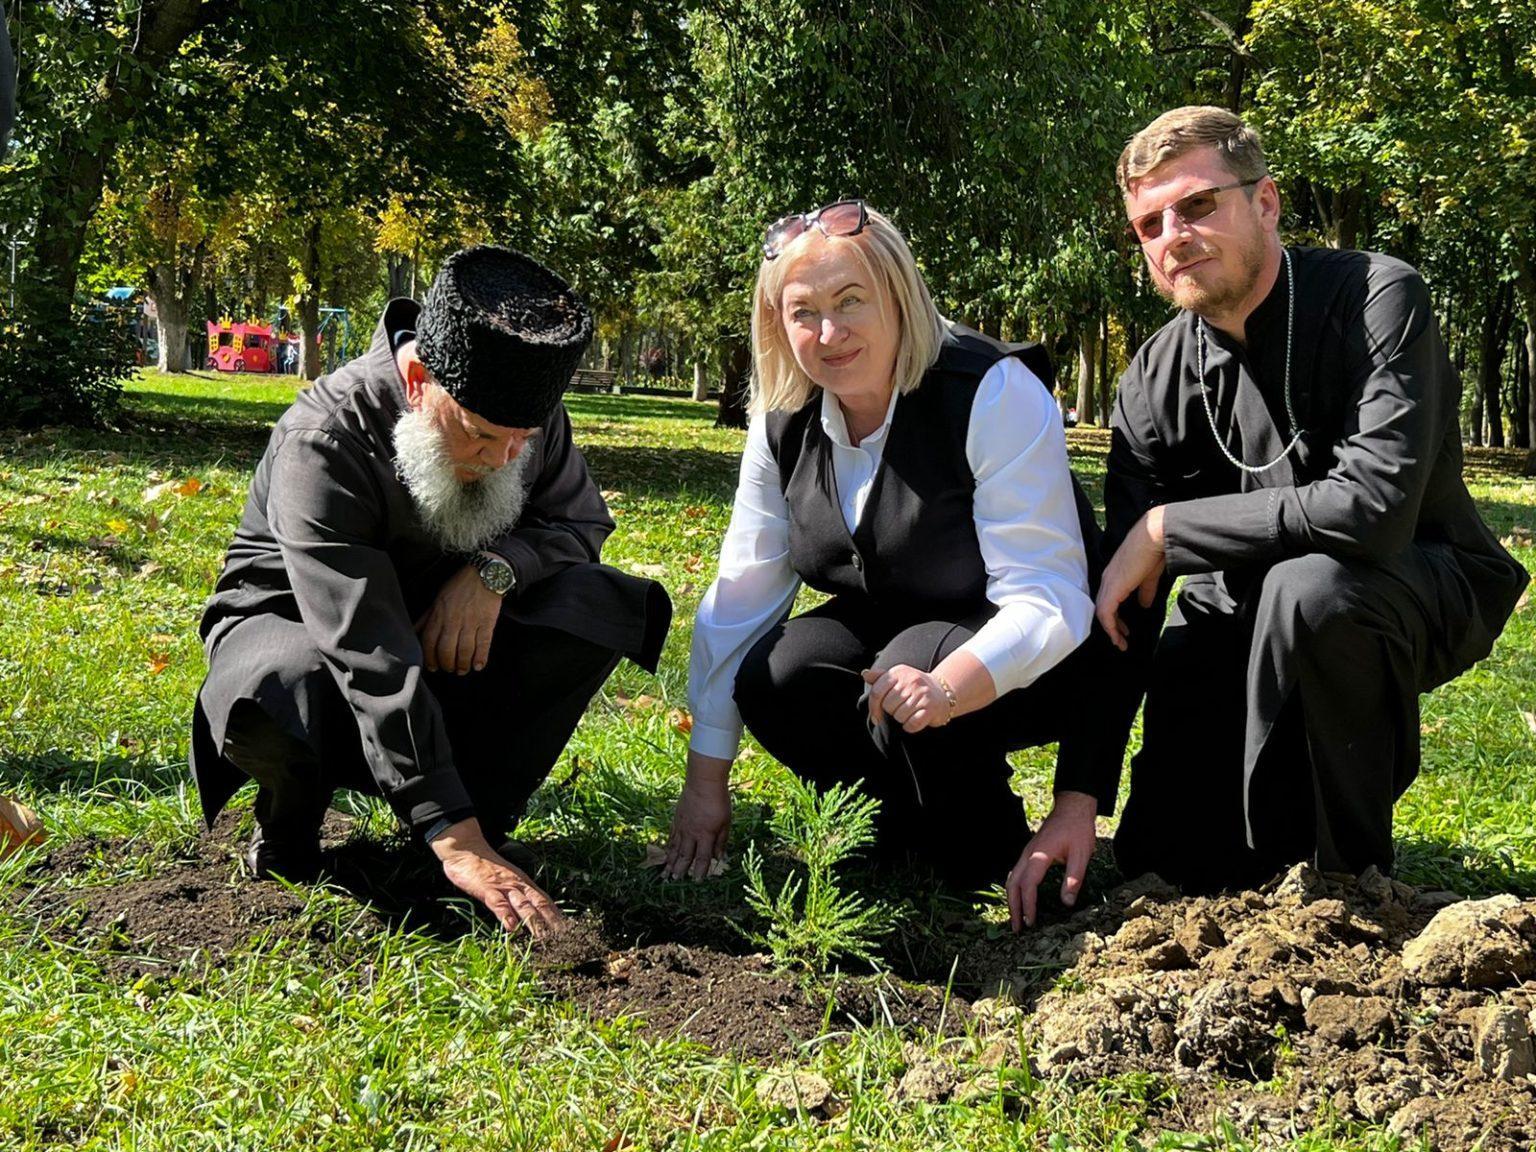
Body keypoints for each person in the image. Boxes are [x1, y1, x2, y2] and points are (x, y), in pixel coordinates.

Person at [1008, 107, 1528, 924]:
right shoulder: (1154, 376)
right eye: (1150, 223)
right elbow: (1125, 603)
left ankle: (1352, 893)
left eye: (1197, 205)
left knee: (1311, 591)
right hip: (1239, 619)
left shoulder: (1376, 296)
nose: (1172, 235)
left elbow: (1375, 511)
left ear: (1267, 203)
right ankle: (1274, 837)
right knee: (1174, 857)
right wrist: (1077, 798)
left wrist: (1169, 530)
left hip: (1413, 585)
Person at [190, 245, 671, 937]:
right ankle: (294, 824)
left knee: (600, 603)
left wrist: (493, 571)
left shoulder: (521, 422)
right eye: (480, 436)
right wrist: (449, 828)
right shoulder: (324, 437)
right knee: (277, 684)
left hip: (445, 641)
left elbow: (579, 520)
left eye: (522, 442)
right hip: (312, 637)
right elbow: (366, 647)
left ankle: (481, 822)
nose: (505, 460)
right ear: (418, 378)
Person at [665, 200, 1107, 890]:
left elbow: (1048, 598)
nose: (828, 332)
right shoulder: (784, 416)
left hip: (1029, 651)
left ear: (898, 296)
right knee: (780, 673)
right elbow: (739, 598)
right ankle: (895, 827)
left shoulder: (991, 392)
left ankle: (986, 849)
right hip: (896, 640)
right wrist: (704, 782)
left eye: (850, 301)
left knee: (908, 671)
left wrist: (947, 687)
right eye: (802, 312)